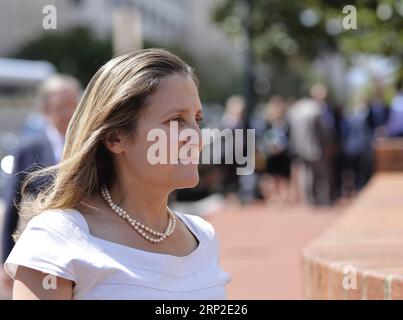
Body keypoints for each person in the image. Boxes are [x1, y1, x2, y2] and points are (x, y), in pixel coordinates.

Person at [3, 48, 231, 299]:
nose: (196, 138)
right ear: (115, 137)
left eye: (198, 119)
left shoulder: (203, 237)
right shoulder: (56, 238)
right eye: (176, 120)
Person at [0, 75, 80, 290]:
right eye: (60, 106)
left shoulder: (89, 146)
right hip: (44, 247)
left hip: (84, 242)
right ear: (45, 110)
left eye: (73, 105)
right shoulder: (28, 149)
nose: (68, 113)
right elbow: (12, 205)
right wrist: (5, 259)